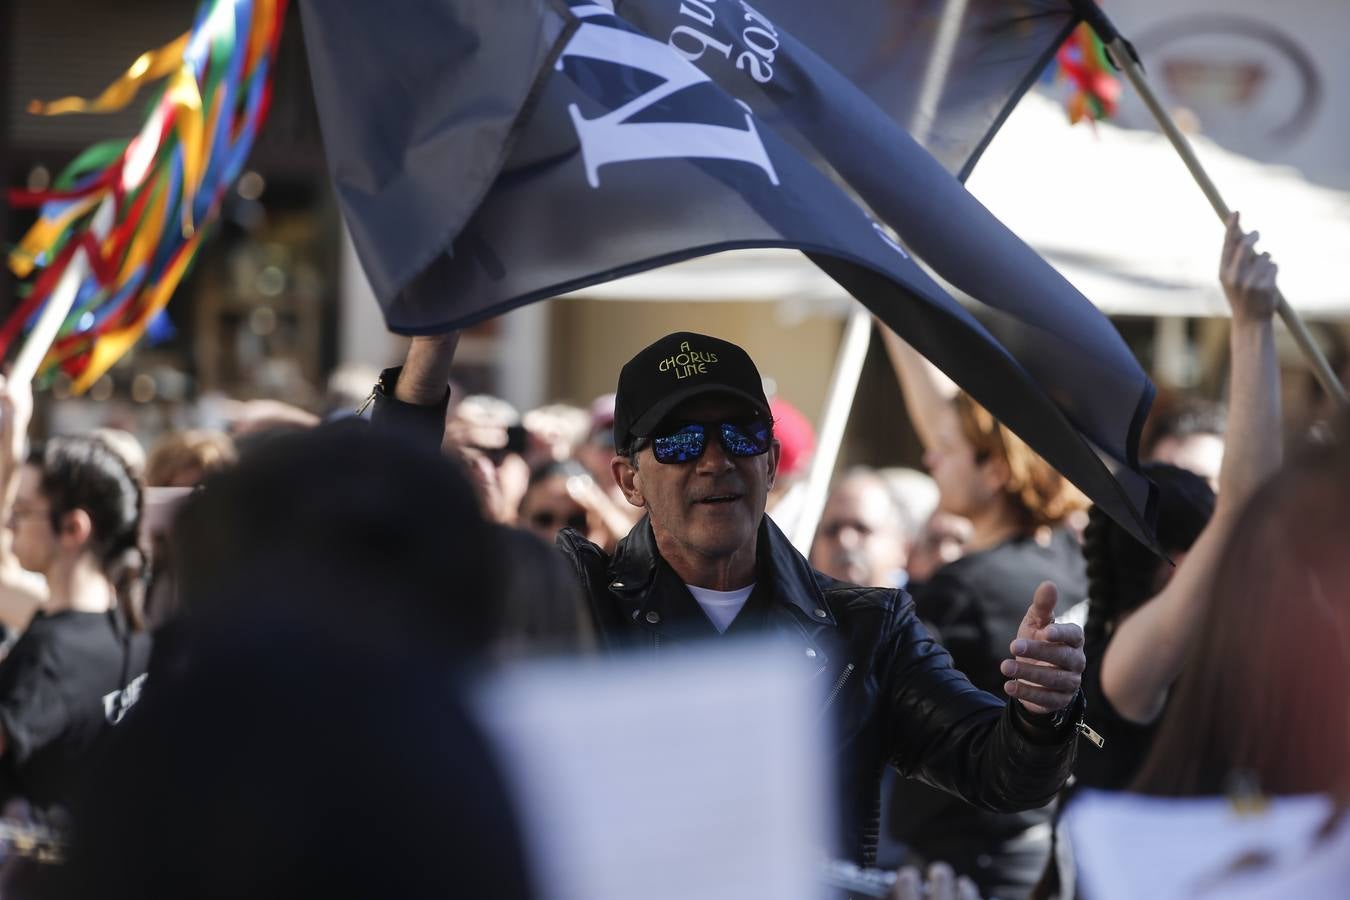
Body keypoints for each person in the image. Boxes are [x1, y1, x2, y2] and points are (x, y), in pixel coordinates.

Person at [371, 330, 1089, 865]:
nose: (716, 459)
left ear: (771, 462)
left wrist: (1039, 715)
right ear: (627, 478)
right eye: (681, 441)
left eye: (740, 434)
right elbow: (381, 549)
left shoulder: (866, 627)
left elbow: (999, 773)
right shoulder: (570, 596)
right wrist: (430, 355)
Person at [877, 322, 1089, 897]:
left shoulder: (962, 588)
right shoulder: (1074, 555)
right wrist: (887, 308)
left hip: (960, 865)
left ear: (995, 470)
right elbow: (951, 423)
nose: (930, 456)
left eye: (946, 452)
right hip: (1043, 847)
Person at [0, 376, 152, 816]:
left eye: (22, 512)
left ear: (73, 529)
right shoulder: (127, 620)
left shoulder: (51, 656)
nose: (10, 525)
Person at [810, 467, 913, 589]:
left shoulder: (931, 605)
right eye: (832, 531)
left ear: (903, 548)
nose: (844, 541)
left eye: (862, 528)